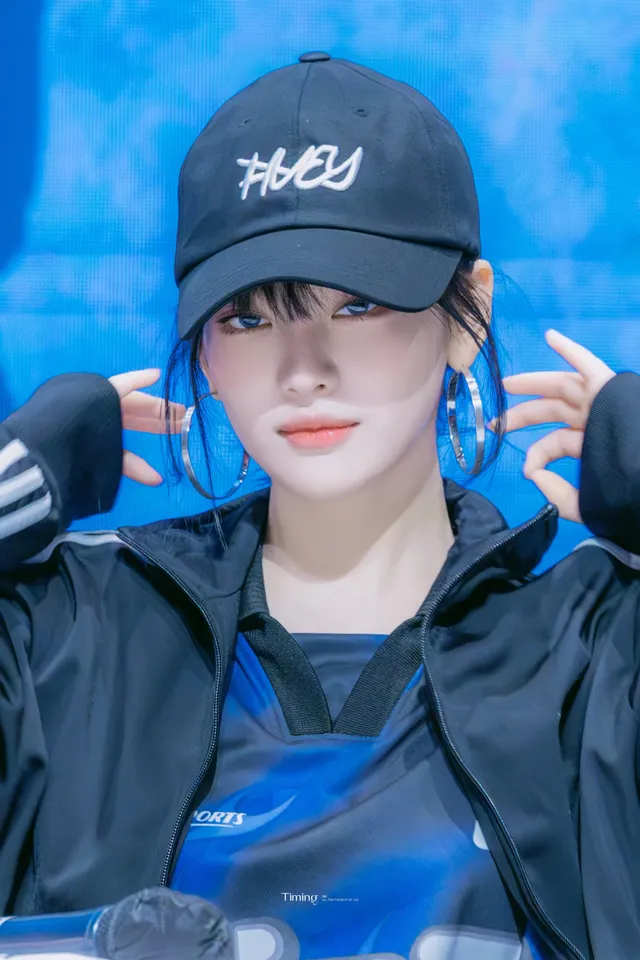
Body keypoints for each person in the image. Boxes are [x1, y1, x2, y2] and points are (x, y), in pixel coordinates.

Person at [0, 52, 638, 960]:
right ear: (204, 348)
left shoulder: (596, 649)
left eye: (359, 304)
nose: (304, 370)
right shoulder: (64, 636)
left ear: (468, 312)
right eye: (249, 317)